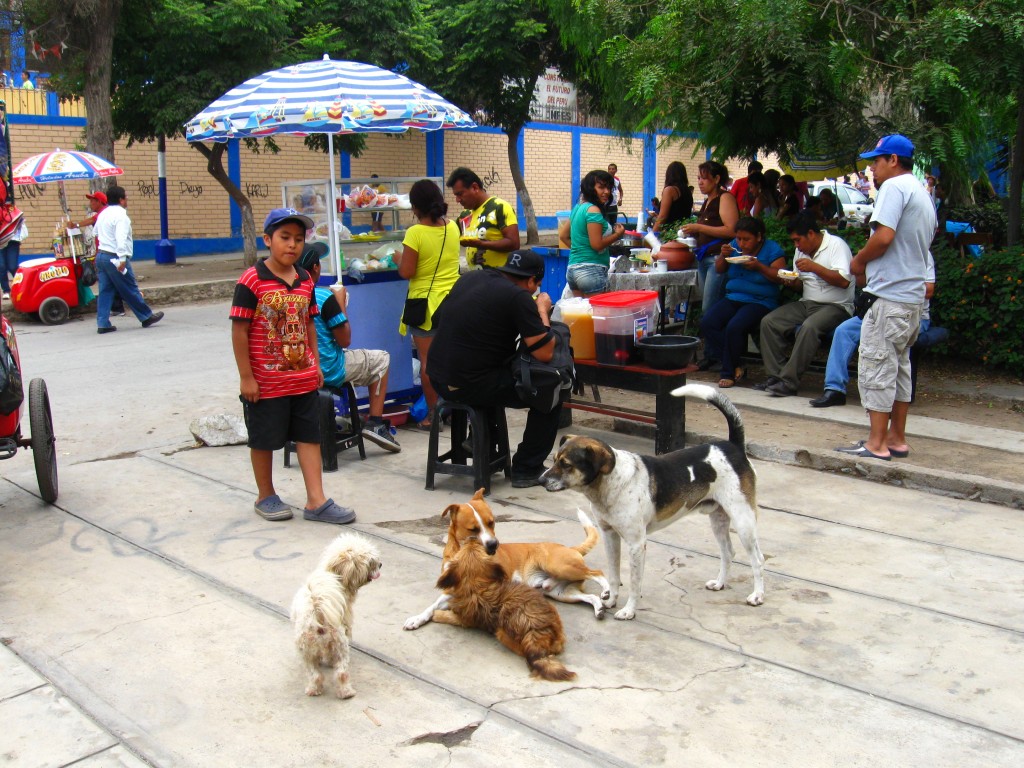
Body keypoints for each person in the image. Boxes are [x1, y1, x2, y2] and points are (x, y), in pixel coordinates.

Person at [230, 207, 355, 525]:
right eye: (285, 237)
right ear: (267, 239)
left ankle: (316, 500)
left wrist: (315, 364)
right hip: (267, 383)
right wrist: (247, 377)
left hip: (303, 378)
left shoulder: (304, 280)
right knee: (263, 439)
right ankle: (266, 495)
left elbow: (310, 323)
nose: (292, 245)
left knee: (309, 436)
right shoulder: (252, 280)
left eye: (299, 239)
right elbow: (239, 330)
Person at [837, 134, 935, 460]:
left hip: (890, 296)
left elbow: (883, 237)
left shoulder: (894, 187)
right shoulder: (922, 193)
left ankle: (876, 443)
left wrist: (859, 261)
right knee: (900, 369)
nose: (872, 169)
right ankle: (896, 438)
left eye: (876, 161)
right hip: (912, 299)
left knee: (877, 366)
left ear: (893, 160)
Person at [428, 249, 559, 488]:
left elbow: (438, 320)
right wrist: (542, 310)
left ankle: (481, 440)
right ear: (531, 281)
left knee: (493, 369)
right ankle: (527, 468)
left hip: (437, 376)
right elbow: (545, 352)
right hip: (468, 384)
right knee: (551, 390)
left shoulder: (470, 278)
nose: (535, 291)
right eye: (536, 286)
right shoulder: (518, 296)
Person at [297, 242, 401, 453]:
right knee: (381, 358)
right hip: (326, 370)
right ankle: (376, 423)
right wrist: (340, 303)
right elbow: (345, 340)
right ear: (316, 268)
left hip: (297, 370)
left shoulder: (287, 296)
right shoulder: (323, 297)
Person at [810, 254, 936, 408]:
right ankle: (834, 389)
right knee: (843, 330)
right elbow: (863, 283)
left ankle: (887, 401)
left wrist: (890, 288)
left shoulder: (920, 252)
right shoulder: (880, 251)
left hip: (907, 315)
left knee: (887, 339)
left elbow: (929, 290)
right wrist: (860, 268)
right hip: (875, 312)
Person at [755, 212, 854, 397]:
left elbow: (843, 281)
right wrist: (790, 282)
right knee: (770, 321)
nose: (796, 245)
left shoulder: (836, 245)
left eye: (798, 240)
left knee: (809, 327)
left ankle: (789, 382)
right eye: (793, 241)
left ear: (810, 233)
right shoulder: (801, 251)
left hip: (837, 306)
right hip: (807, 303)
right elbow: (799, 284)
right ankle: (775, 377)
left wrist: (814, 267)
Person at [397, 179, 461, 430]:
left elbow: (407, 271)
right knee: (452, 359)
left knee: (428, 362)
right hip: (453, 301)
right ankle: (456, 410)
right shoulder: (453, 227)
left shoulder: (415, 233)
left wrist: (398, 258)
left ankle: (433, 416)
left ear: (415, 207)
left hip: (425, 306)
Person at [699, 217, 786, 388]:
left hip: (760, 300)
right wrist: (723, 255)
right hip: (734, 296)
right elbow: (719, 269)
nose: (741, 243)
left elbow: (781, 276)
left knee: (735, 326)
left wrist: (759, 267)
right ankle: (736, 363)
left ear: (759, 237)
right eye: (738, 238)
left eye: (746, 239)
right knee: (708, 322)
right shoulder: (734, 246)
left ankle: (728, 372)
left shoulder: (772, 249)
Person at [93, 186, 164, 334]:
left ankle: (103, 323)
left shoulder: (103, 214)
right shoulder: (121, 216)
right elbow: (121, 238)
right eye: (125, 197)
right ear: (121, 200)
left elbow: (95, 232)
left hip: (102, 255)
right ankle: (146, 316)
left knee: (105, 291)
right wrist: (122, 258)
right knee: (130, 287)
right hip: (114, 257)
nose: (127, 200)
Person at [682, 160, 739, 343]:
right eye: (698, 178)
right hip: (703, 257)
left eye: (704, 178)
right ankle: (713, 348)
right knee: (707, 306)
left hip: (717, 258)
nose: (700, 182)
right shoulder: (708, 201)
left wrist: (699, 227)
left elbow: (732, 230)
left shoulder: (725, 197)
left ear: (716, 179)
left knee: (710, 307)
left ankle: (717, 349)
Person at [446, 167, 520, 269]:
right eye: (456, 195)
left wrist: (482, 244)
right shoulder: (464, 215)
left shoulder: (499, 207)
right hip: (476, 276)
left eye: (460, 194)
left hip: (499, 276)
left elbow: (514, 244)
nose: (457, 200)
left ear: (475, 187)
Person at [567, 169, 624, 297]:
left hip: (572, 270)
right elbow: (597, 245)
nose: (607, 192)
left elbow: (564, 236)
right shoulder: (593, 210)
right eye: (601, 187)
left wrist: (582, 250)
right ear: (590, 189)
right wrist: (617, 234)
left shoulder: (578, 208)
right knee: (600, 310)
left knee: (582, 310)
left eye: (609, 188)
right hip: (591, 271)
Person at [651, 161, 694, 235]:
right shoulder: (688, 191)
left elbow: (662, 217)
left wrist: (651, 235)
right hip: (684, 232)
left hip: (670, 234)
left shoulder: (670, 190)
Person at [0, 213, 27, 299]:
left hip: (13, 241)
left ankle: (21, 287)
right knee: (1, 266)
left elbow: (20, 224)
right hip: (1, 242)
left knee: (12, 266)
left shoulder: (13, 211)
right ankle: (6, 291)